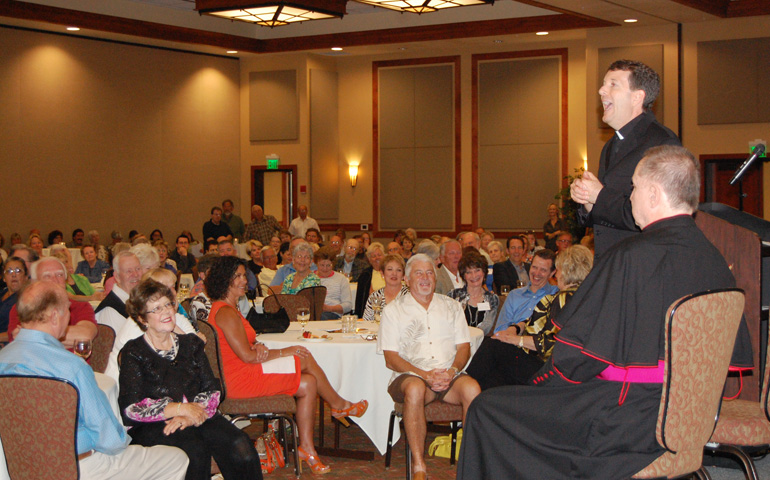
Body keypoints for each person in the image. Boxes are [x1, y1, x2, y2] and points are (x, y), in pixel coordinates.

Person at [458, 145, 754, 479]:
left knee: (489, 409)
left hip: (628, 423)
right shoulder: (714, 258)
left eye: (635, 188)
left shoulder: (631, 256)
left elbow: (576, 358)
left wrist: (537, 385)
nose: (629, 198)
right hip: (689, 419)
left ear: (654, 194)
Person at [0, 281, 189, 480]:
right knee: (175, 458)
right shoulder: (71, 367)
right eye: (67, 311)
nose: (69, 317)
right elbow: (109, 439)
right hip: (78, 467)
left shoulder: (3, 359)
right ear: (55, 316)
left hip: (16, 467)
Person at [205, 255, 368, 474]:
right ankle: (339, 405)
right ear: (225, 280)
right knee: (302, 357)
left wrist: (257, 346)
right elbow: (247, 356)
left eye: (244, 275)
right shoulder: (225, 312)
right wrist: (283, 351)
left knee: (308, 382)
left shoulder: (227, 309)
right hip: (241, 380)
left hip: (244, 372)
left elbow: (244, 349)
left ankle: (307, 449)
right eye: (239, 277)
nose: (245, 281)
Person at [118, 279, 261, 480]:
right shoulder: (134, 351)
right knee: (194, 451)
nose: (166, 312)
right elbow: (131, 408)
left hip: (199, 414)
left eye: (168, 304)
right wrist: (180, 409)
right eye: (156, 309)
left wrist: (192, 414)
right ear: (142, 319)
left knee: (241, 445)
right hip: (155, 424)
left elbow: (212, 389)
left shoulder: (190, 343)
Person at [378, 254, 481, 480]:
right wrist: (424, 374)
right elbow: (390, 358)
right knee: (415, 389)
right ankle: (419, 466)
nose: (425, 278)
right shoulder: (393, 311)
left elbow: (464, 347)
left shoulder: (452, 306)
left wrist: (452, 371)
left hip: (449, 375)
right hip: (410, 376)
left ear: (435, 278)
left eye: (429, 273)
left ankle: (470, 463)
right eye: (418, 273)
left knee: (472, 389)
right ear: (406, 279)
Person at [571, 59, 681, 258]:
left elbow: (658, 217)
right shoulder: (610, 146)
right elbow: (608, 214)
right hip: (612, 262)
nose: (601, 90)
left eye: (613, 84)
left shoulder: (662, 143)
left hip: (644, 265)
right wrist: (588, 202)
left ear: (637, 97)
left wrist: (599, 196)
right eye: (604, 83)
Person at [466, 244, 593, 390]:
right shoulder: (581, 296)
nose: (557, 274)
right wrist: (516, 327)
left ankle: (460, 384)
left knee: (492, 346)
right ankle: (474, 398)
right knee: (493, 379)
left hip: (550, 370)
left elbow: (550, 344)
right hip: (565, 368)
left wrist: (516, 340)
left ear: (566, 271)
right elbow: (542, 321)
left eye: (557, 270)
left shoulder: (563, 299)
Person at [105, 268, 200, 382]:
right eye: (165, 289)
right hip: (127, 385)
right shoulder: (139, 324)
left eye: (173, 287)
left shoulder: (177, 318)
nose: (173, 293)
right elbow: (151, 375)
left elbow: (198, 354)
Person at [493, 249, 558, 334]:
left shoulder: (556, 295)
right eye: (534, 267)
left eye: (543, 270)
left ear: (552, 273)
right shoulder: (514, 295)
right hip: (511, 341)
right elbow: (499, 329)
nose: (537, 273)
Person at [448, 250, 499, 336]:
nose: (474, 275)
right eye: (468, 272)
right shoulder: (453, 296)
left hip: (483, 344)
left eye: (477, 270)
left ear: (484, 272)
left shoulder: (492, 299)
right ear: (463, 275)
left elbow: (487, 326)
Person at [95, 251, 143, 333]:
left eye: (138, 269)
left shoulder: (138, 300)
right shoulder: (110, 311)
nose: (135, 274)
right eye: (129, 271)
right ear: (117, 277)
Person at [362, 254, 409, 322]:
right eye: (390, 269)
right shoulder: (375, 296)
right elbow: (366, 323)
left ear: (403, 275)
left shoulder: (410, 296)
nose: (394, 273)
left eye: (398, 270)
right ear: (382, 273)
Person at [314, 247, 353, 319]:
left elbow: (348, 305)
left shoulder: (341, 279)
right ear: (316, 264)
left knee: (321, 317)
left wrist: (329, 308)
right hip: (312, 313)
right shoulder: (310, 278)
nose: (325, 269)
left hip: (332, 314)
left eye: (328, 265)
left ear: (333, 264)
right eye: (322, 265)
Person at [353, 242, 386, 316]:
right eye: (373, 256)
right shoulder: (365, 275)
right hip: (370, 312)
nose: (377, 258)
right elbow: (359, 301)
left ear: (384, 256)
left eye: (379, 255)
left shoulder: (390, 273)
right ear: (369, 259)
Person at [0, 257, 28, 340]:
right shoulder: (2, 293)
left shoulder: (26, 299)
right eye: (9, 271)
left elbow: (21, 331)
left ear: (26, 277)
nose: (13, 275)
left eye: (18, 271)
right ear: (4, 278)